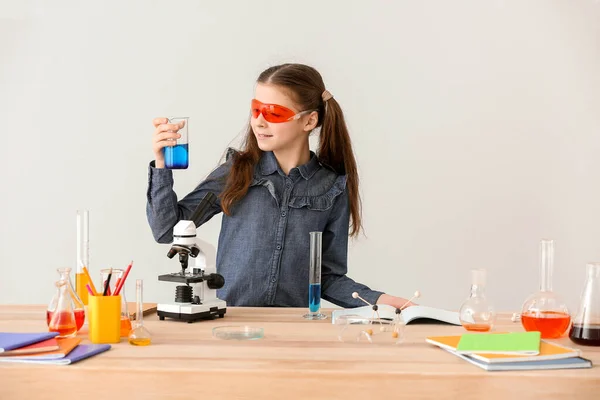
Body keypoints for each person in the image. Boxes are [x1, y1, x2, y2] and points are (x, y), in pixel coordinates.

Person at [146, 63, 414, 309]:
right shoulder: (237, 172)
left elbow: (328, 277)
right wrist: (161, 166)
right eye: (256, 110)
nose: (259, 121)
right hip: (234, 323)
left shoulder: (332, 187)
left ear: (309, 121)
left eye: (273, 112)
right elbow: (168, 230)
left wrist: (384, 301)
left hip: (293, 330)